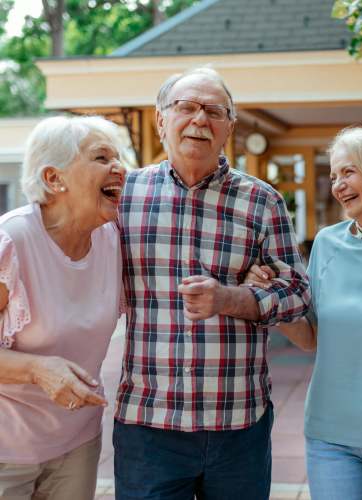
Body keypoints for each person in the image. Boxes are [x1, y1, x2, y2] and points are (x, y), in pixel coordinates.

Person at [113, 67, 310, 500]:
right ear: (161, 121)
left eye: (214, 111)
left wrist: (232, 298)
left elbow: (297, 293)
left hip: (238, 422)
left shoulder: (262, 201)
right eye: (186, 107)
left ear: (229, 128)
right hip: (150, 423)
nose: (200, 119)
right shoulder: (124, 196)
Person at [246, 127, 362, 500]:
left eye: (348, 172)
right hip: (331, 433)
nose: (337, 185)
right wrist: (271, 299)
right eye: (334, 176)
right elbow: (312, 337)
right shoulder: (327, 243)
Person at [0, 115, 126, 500]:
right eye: (102, 157)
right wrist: (38, 369)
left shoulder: (114, 240)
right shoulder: (12, 242)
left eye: (118, 157)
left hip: (78, 442)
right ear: (54, 179)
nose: (119, 168)